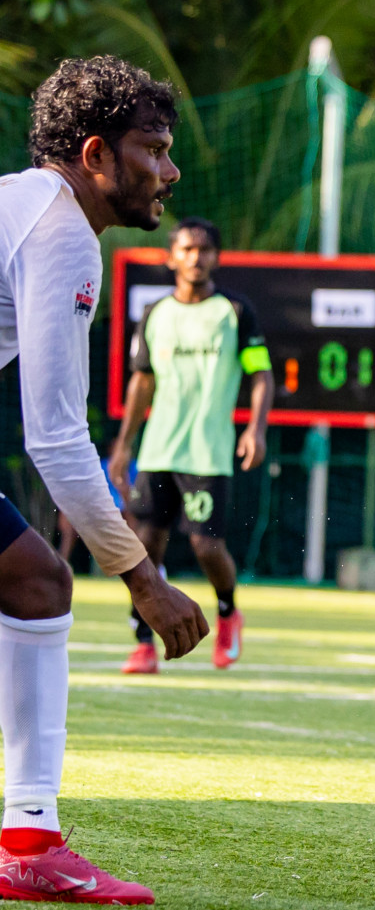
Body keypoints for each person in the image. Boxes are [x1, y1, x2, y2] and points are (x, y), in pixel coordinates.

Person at [0, 56, 207, 903]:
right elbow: (55, 438)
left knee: (35, 579)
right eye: (154, 150)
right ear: (95, 155)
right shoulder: (60, 231)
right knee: (39, 580)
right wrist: (145, 579)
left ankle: (29, 839)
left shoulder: (23, 200)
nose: (170, 170)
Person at [109, 217, 273, 674]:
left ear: (216, 257)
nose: (195, 257)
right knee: (144, 547)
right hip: (158, 449)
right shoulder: (155, 314)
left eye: (204, 249)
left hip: (207, 451)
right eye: (187, 249)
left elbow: (261, 375)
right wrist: (124, 447)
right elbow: (141, 384)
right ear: (171, 256)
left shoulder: (235, 312)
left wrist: (254, 429)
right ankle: (143, 642)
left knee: (205, 546)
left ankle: (227, 611)